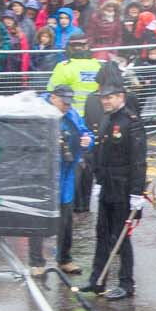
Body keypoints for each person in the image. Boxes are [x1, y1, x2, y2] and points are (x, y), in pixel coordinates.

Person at [83, 67, 149, 300]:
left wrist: (136, 193)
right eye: (103, 97)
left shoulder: (132, 123)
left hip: (123, 186)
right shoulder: (106, 120)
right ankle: (97, 279)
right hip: (108, 184)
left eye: (109, 97)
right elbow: (102, 153)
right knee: (102, 233)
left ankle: (126, 283)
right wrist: (98, 181)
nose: (105, 101)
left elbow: (138, 161)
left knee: (121, 237)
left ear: (121, 96)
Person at [40, 83, 91, 275]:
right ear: (53, 98)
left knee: (66, 219)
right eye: (63, 102)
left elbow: (86, 132)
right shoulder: (38, 113)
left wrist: (87, 140)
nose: (67, 106)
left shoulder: (72, 115)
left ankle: (64, 259)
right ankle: (37, 262)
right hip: (44, 175)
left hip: (67, 175)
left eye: (69, 102)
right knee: (39, 219)